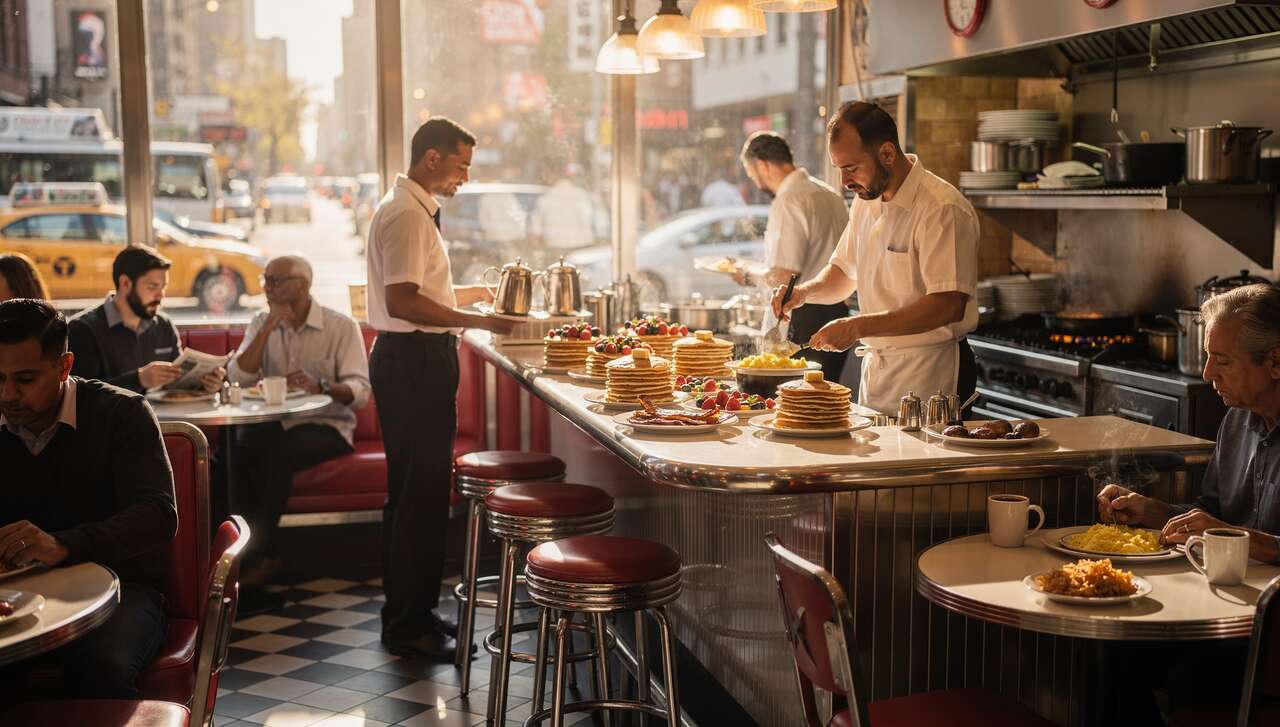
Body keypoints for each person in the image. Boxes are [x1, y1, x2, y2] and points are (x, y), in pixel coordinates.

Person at [1092, 283, 1280, 723]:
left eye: (1223, 360)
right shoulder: (1236, 422)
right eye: (1208, 357)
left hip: (1271, 631)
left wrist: (1241, 538)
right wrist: (1153, 511)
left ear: (1275, 361)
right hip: (1222, 608)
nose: (1208, 373)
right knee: (1117, 647)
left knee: (1190, 677)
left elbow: (1226, 531)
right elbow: (1213, 517)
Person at [365, 116, 517, 660]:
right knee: (419, 498)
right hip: (415, 361)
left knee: (413, 496)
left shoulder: (408, 208)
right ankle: (409, 625)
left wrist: (475, 296)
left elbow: (420, 291)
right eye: (461, 165)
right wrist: (480, 321)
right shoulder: (408, 214)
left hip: (411, 359)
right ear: (431, 158)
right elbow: (404, 301)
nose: (465, 178)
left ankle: (410, 613)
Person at [0, 298, 177, 698]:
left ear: (64, 366)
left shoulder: (122, 413)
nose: (8, 394)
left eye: (24, 379)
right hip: (14, 591)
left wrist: (63, 544)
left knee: (101, 669)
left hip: (121, 588)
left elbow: (158, 515)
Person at [771, 101, 979, 415]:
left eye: (851, 168)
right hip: (878, 373)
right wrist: (803, 293)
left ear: (887, 153)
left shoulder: (941, 208)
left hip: (931, 375)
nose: (844, 182)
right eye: (839, 169)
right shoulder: (865, 201)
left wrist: (857, 327)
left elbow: (947, 304)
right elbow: (843, 273)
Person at [227, 254, 371, 590]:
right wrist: (267, 328)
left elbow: (361, 392)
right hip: (274, 424)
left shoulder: (340, 326)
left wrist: (321, 386)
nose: (268, 287)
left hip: (328, 425)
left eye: (276, 281)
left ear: (303, 286)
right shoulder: (260, 322)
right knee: (234, 449)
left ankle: (262, 557)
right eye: (265, 280)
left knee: (278, 452)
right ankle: (234, 555)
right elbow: (238, 377)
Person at [739, 131, 851, 381]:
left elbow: (784, 275)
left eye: (752, 174)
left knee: (797, 399)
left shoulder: (789, 199)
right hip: (838, 312)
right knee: (828, 396)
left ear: (763, 166)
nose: (755, 182)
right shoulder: (830, 194)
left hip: (803, 316)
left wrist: (747, 274)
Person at [68, 245, 224, 394]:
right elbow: (82, 396)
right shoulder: (82, 330)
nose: (161, 295)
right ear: (125, 283)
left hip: (165, 413)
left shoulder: (164, 325)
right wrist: (138, 380)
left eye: (163, 287)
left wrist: (205, 385)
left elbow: (177, 384)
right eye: (153, 287)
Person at [530, 164, 597, 254]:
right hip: (582, 247)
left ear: (552, 176)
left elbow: (535, 230)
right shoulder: (582, 195)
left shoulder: (545, 198)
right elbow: (590, 220)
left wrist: (537, 250)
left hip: (555, 247)